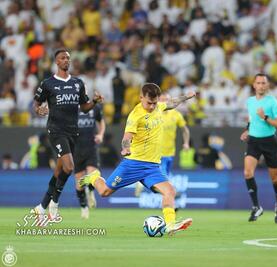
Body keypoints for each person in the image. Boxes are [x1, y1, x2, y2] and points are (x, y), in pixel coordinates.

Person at [80, 83, 195, 235]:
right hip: (133, 164)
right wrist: (126, 147)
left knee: (170, 191)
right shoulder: (136, 115)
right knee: (104, 192)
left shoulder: (159, 107)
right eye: (149, 103)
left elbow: (171, 103)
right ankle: (94, 177)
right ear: (141, 98)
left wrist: (186, 96)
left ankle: (170, 224)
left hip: (153, 167)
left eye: (155, 103)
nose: (152, 106)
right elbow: (127, 137)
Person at [31, 49, 104, 219]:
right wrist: (39, 110)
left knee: (60, 170)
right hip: (56, 130)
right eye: (63, 58)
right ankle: (55, 202)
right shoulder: (48, 83)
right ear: (56, 62)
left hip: (73, 131)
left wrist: (94, 101)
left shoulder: (78, 83)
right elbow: (36, 104)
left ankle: (42, 206)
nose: (66, 61)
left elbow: (84, 107)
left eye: (68, 58)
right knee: (69, 167)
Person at [240, 73, 277, 223]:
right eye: (258, 83)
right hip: (253, 140)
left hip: (269, 142)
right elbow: (252, 118)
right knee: (247, 173)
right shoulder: (250, 101)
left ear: (267, 85)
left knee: (275, 178)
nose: (261, 85)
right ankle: (256, 207)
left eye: (263, 83)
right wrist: (248, 129)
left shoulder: (273, 102)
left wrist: (265, 117)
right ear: (254, 85)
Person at [73, 105, 105, 219]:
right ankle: (84, 207)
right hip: (76, 150)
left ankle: (91, 191)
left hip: (91, 148)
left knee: (93, 174)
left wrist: (100, 134)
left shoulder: (94, 108)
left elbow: (101, 122)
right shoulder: (70, 108)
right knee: (80, 182)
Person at [159, 93, 190, 177]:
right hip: (157, 154)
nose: (164, 102)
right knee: (163, 177)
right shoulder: (154, 114)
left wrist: (186, 143)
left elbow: (185, 130)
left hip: (170, 152)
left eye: (166, 100)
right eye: (162, 100)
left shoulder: (176, 114)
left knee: (166, 176)